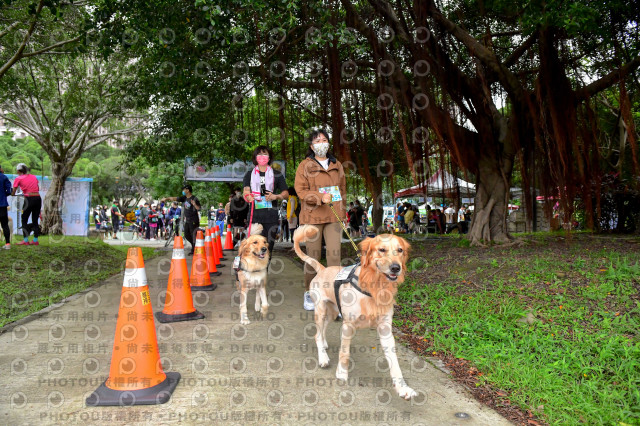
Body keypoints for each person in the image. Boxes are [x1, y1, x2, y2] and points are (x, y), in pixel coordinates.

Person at [294, 128, 346, 311]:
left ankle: (334, 296)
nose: (321, 143)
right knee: (312, 258)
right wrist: (318, 197)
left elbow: (342, 191)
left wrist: (342, 214)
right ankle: (309, 292)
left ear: (329, 143)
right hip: (312, 217)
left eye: (324, 140)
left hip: (333, 216)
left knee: (334, 257)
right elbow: (300, 191)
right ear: (311, 146)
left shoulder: (336, 164)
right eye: (317, 141)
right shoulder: (304, 166)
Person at [242, 145, 289, 258]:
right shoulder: (249, 174)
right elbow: (246, 191)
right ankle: (253, 274)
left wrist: (275, 196)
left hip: (271, 218)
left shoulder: (277, 174)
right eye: (260, 154)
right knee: (253, 249)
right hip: (254, 218)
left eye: (265, 154)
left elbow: (285, 194)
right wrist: (248, 196)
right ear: (255, 157)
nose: (262, 157)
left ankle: (263, 275)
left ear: (269, 157)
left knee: (267, 250)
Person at [162, 184, 201, 255]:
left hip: (194, 220)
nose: (183, 191)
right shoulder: (184, 198)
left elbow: (199, 208)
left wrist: (194, 204)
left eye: (184, 189)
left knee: (193, 235)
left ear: (188, 190)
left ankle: (195, 249)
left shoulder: (194, 198)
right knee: (186, 234)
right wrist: (166, 199)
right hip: (188, 220)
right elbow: (174, 198)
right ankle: (194, 246)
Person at [11, 163, 41, 245]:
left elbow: (14, 189)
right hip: (38, 198)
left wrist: (13, 194)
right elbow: (37, 188)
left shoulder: (18, 178)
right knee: (35, 219)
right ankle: (35, 240)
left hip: (29, 199)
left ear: (18, 171)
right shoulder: (33, 176)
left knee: (24, 218)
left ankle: (25, 239)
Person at [0, 164, 12, 249]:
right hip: (2, 204)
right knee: (4, 224)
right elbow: (9, 191)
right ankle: (7, 244)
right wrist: (4, 195)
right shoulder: (4, 177)